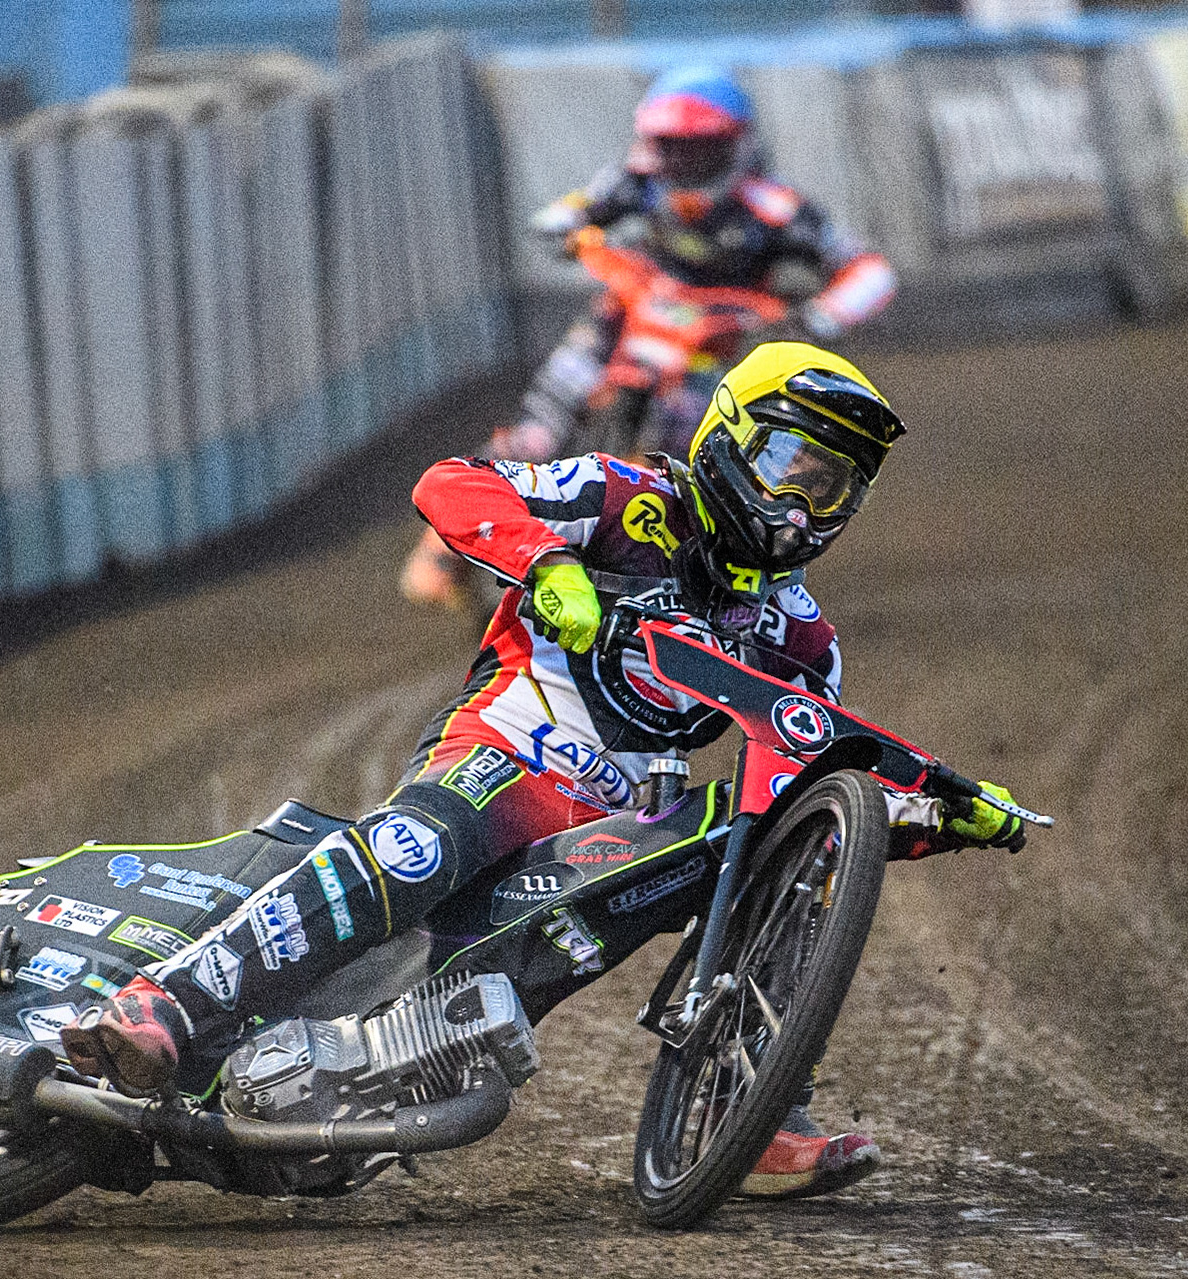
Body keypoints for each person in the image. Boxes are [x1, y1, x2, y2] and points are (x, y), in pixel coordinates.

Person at [66, 343, 1025, 1201]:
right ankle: (165, 1001)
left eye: (834, 489)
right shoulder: (627, 496)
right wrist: (546, 563)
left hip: (614, 821)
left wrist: (930, 816)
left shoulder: (804, 640)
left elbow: (811, 790)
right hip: (507, 747)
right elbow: (452, 484)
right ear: (729, 438)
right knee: (414, 849)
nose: (804, 507)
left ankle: (761, 1104)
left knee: (771, 854)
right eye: (791, 467)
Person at [400, 64, 898, 609]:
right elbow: (557, 218)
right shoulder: (635, 182)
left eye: (698, 147)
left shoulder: (772, 207)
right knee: (541, 425)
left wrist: (813, 317)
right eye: (670, 145)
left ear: (733, 144)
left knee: (682, 460)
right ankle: (445, 544)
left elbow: (871, 271)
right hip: (628, 319)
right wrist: (582, 238)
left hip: (714, 344)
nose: (681, 161)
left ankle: (653, 568)